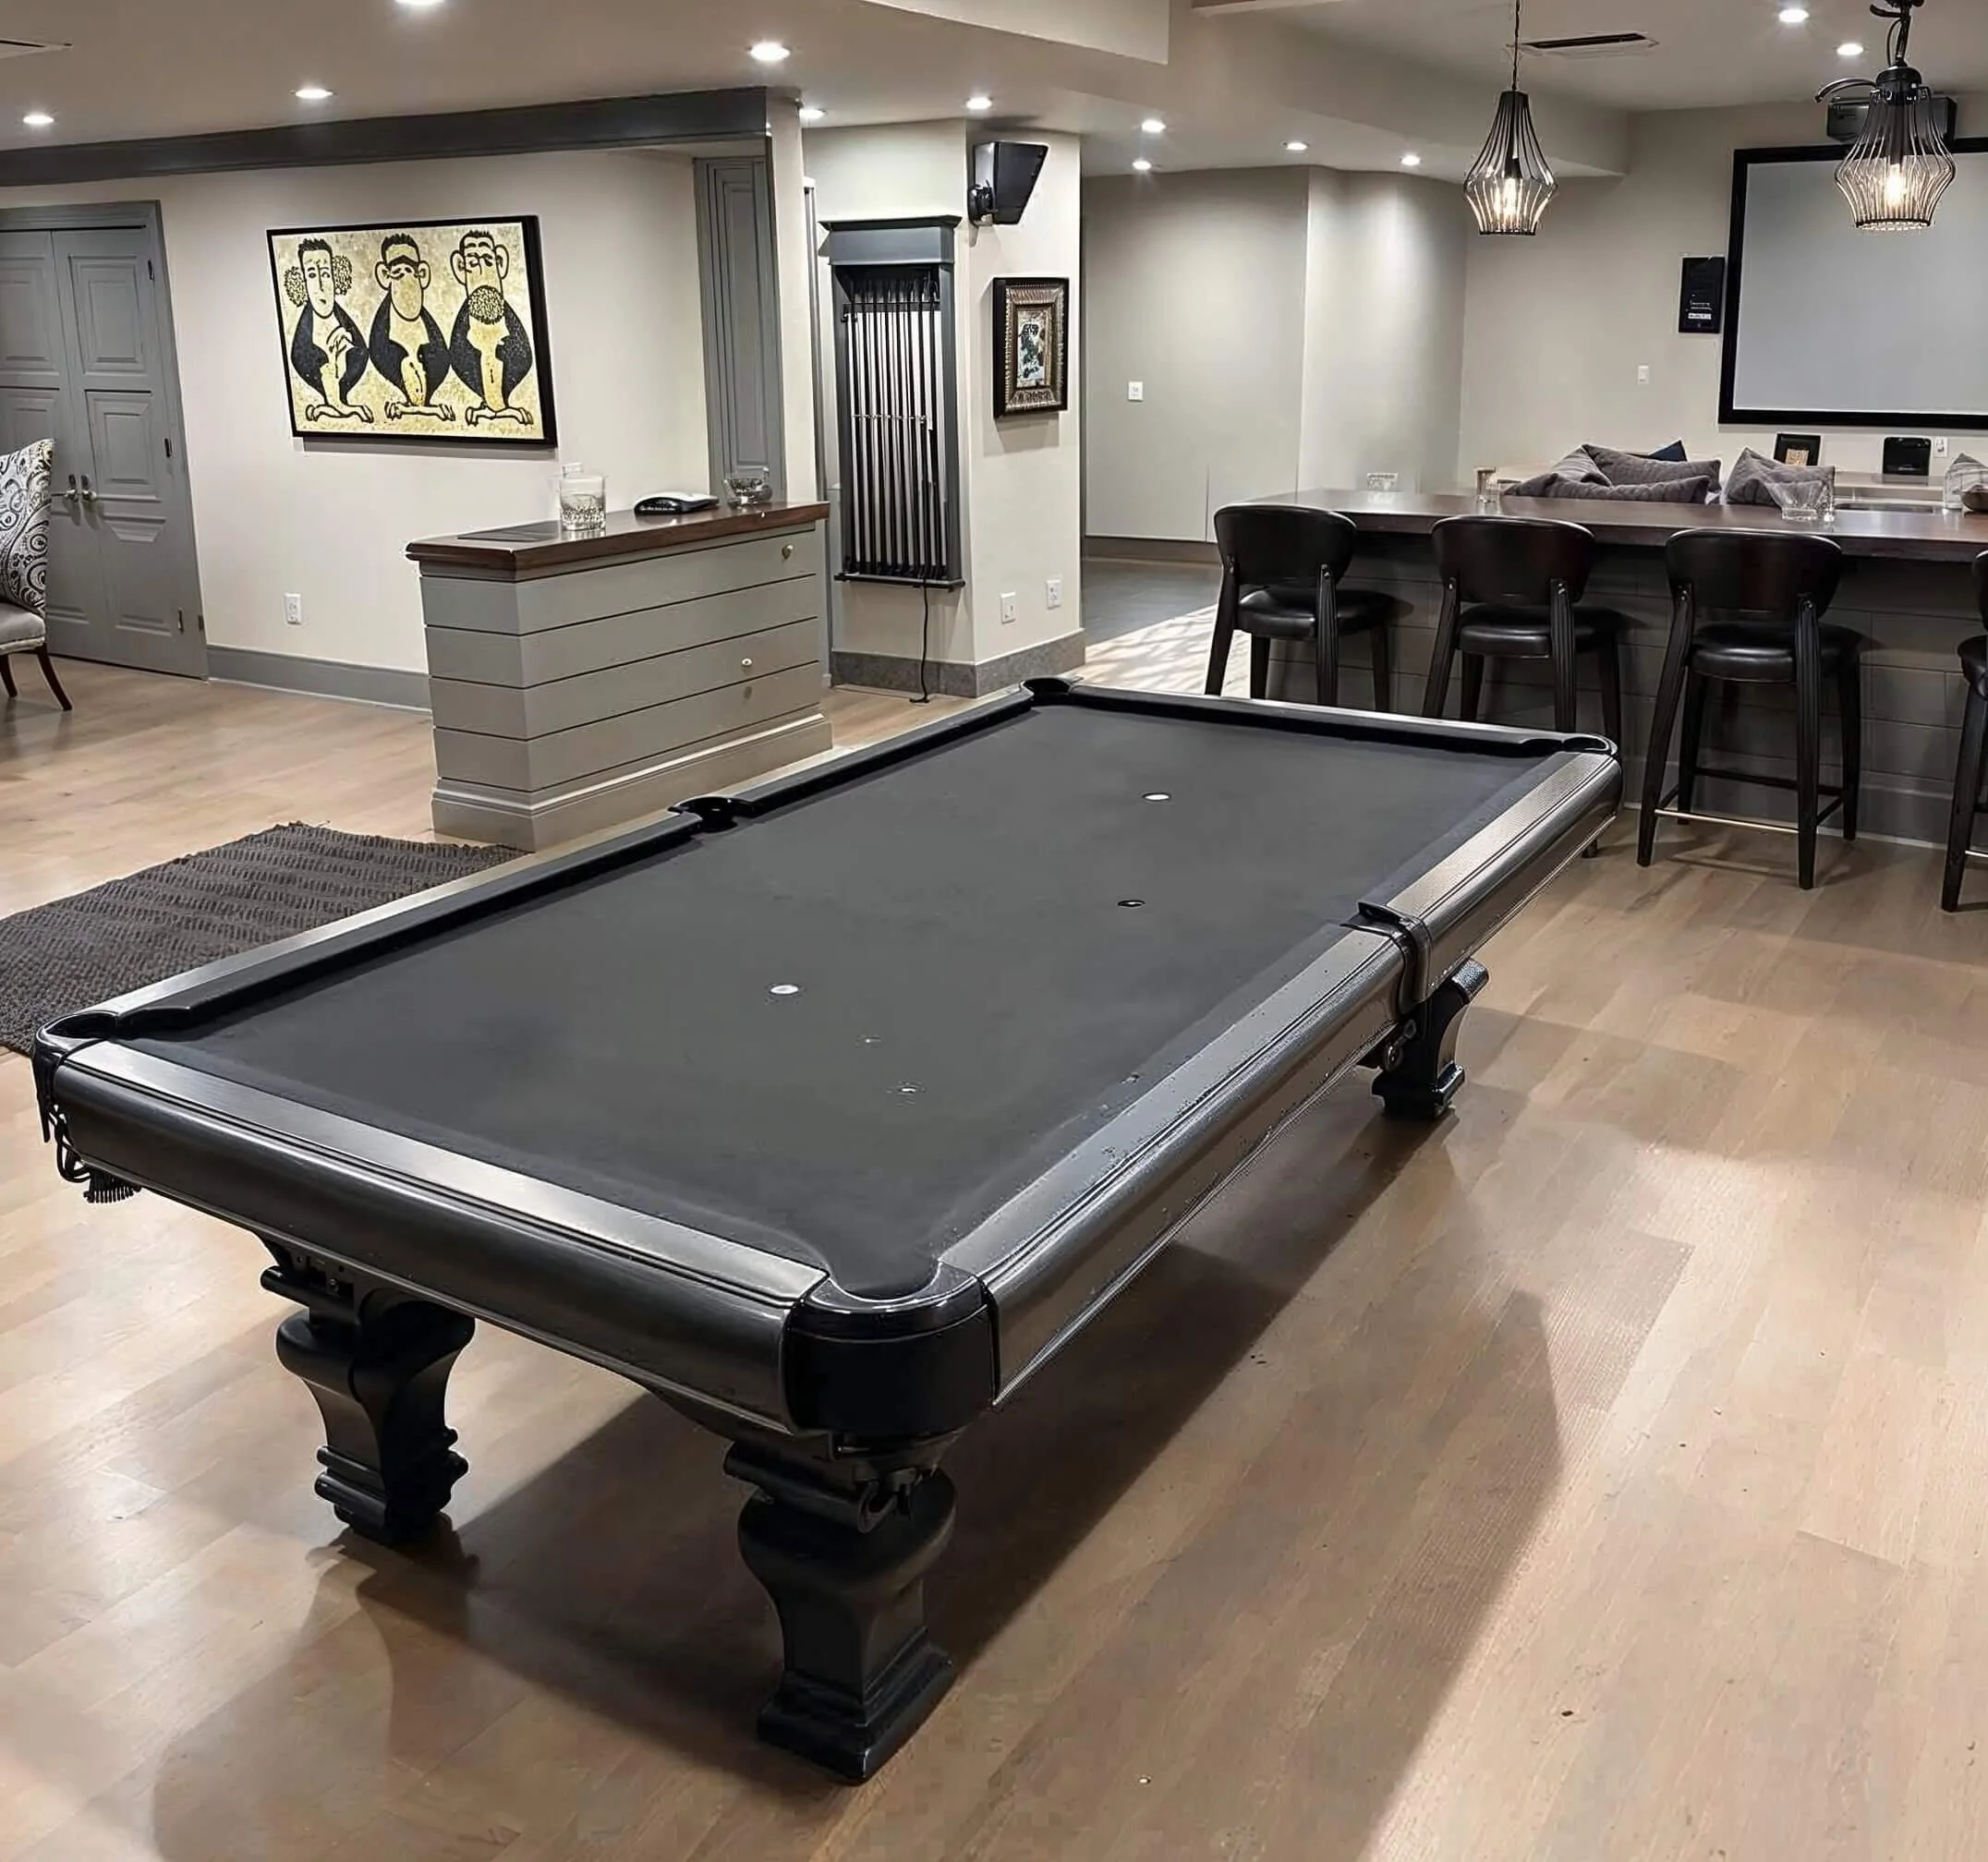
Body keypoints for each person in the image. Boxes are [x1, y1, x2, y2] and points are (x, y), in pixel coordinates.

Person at [367, 232, 455, 422]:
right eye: (398, 272)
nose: (406, 282)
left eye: (411, 270)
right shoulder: (378, 345)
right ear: (385, 276)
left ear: (422, 274)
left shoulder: (438, 343)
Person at [285, 237, 371, 425]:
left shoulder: (351, 332)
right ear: (303, 283)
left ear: (335, 276)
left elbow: (361, 354)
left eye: (325, 274)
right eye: (312, 276)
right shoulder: (304, 346)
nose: (321, 288)